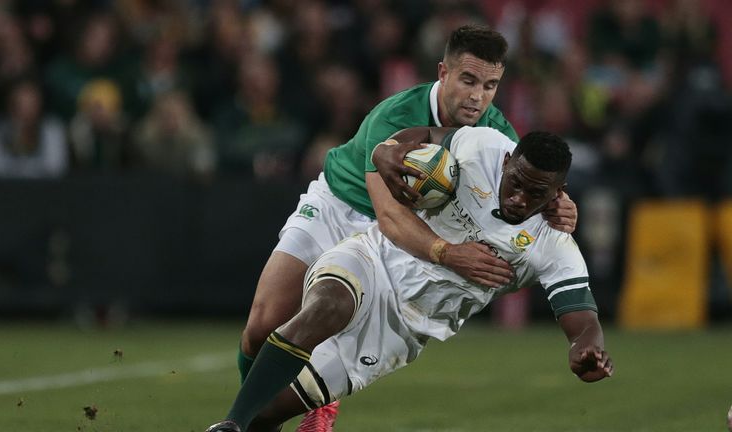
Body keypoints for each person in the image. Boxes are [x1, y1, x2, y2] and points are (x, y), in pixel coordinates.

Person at [236, 25, 578, 430]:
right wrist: (447, 254)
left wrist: (562, 206)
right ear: (443, 73)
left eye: (490, 85)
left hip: (395, 236)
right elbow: (389, 216)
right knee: (262, 324)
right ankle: (258, 420)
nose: (477, 96)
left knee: (329, 313)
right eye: (468, 80)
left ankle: (291, 408)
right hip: (341, 205)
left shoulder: (497, 133)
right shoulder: (396, 115)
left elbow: (527, 188)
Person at [206, 127, 613, 432]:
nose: (519, 198)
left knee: (272, 410)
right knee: (327, 303)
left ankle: (248, 423)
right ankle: (229, 425)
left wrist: (586, 349)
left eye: (536, 194)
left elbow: (582, 318)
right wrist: (390, 150)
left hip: (405, 325)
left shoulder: (554, 246)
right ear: (507, 162)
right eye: (516, 182)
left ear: (559, 192)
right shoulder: (482, 146)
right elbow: (430, 133)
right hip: (378, 256)